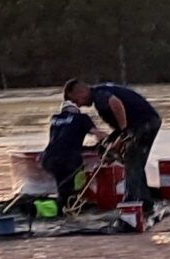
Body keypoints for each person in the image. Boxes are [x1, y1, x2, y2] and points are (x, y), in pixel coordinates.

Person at [64, 78, 162, 208]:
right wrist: (112, 139)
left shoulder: (99, 95)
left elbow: (115, 103)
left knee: (132, 161)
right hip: (145, 122)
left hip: (144, 124)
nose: (79, 106)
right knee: (135, 161)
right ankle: (144, 200)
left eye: (76, 101)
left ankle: (132, 201)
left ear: (81, 92)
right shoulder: (101, 92)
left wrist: (124, 133)